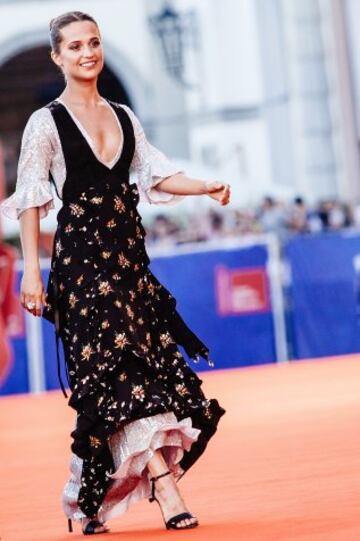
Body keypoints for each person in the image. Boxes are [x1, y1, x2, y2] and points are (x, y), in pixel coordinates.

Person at [0, 11, 230, 536]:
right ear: (58, 57)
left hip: (129, 267)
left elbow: (155, 172)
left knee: (129, 382)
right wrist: (31, 274)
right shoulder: (46, 123)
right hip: (81, 273)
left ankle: (88, 504)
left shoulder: (126, 115)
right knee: (120, 376)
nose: (88, 52)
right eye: (75, 46)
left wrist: (206, 187)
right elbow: (32, 200)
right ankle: (166, 488)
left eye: (95, 42)